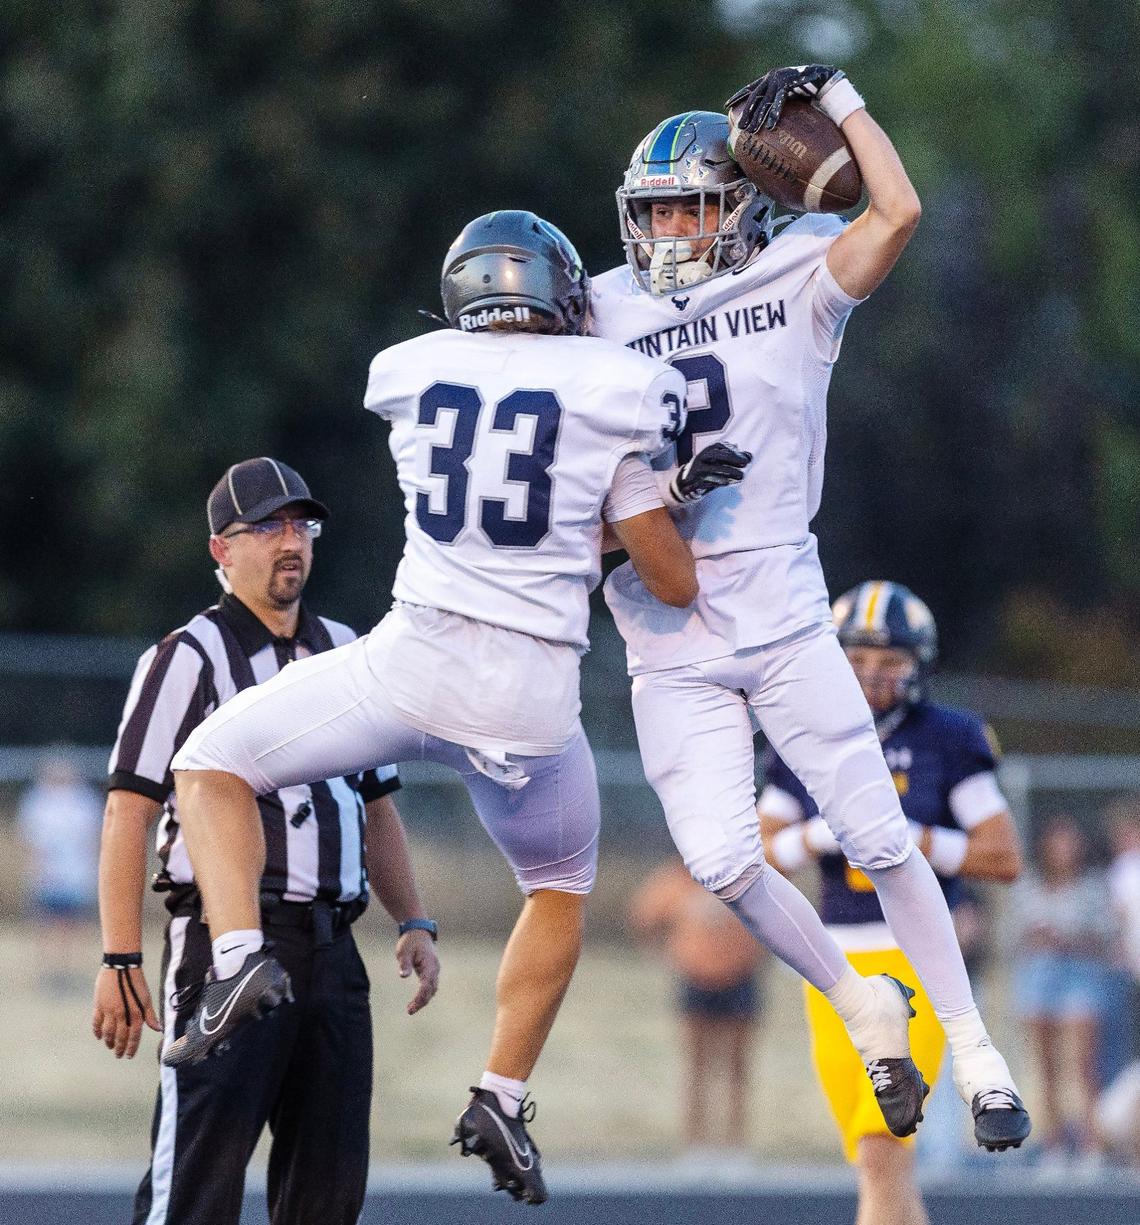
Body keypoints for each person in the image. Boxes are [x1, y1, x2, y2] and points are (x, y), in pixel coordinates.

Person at [161, 211, 717, 1206]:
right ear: (559, 295)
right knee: (557, 884)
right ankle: (500, 1092)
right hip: (530, 699)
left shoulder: (406, 368)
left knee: (208, 762)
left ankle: (237, 957)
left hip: (411, 662)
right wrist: (668, 497)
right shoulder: (618, 385)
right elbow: (667, 578)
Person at [590, 66, 1030, 1150]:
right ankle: (862, 997)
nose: (673, 230)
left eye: (692, 205)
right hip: (663, 626)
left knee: (882, 836)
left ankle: (976, 1050)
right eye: (654, 212)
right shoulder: (597, 302)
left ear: (741, 207)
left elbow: (901, 209)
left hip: (782, 603)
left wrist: (838, 98)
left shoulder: (794, 272)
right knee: (723, 863)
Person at [92, 457, 440, 1225]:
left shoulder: (349, 649)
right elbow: (129, 810)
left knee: (328, 1193)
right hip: (228, 947)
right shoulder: (189, 655)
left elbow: (375, 803)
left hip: (332, 950)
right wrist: (119, 955)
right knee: (196, 1188)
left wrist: (413, 917)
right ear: (222, 548)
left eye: (302, 525)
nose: (292, 543)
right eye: (269, 527)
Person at [759, 582, 1022, 1225]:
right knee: (875, 1157)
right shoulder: (807, 732)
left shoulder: (946, 737)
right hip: (833, 965)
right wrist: (821, 833)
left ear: (917, 664)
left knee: (883, 1144)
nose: (873, 675)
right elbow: (756, 850)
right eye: (858, 660)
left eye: (889, 662)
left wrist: (916, 841)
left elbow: (1003, 855)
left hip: (919, 956)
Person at [630, 857, 766, 1156]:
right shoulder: (676, 881)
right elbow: (644, 920)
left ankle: (735, 1145)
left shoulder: (742, 877)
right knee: (696, 1068)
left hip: (739, 979)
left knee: (737, 1068)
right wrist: (668, 954)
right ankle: (696, 1144)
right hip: (696, 981)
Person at [1010, 814, 1116, 1169]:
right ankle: (1053, 1144)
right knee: (1046, 1068)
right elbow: (1013, 933)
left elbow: (1106, 934)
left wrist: (1068, 938)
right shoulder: (1029, 885)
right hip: (1039, 976)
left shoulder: (1092, 886)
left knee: (1084, 1065)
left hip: (1079, 974)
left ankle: (1090, 1144)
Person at [17, 750, 103, 991]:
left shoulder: (85, 800)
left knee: (74, 925)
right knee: (47, 923)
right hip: (48, 874)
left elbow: (93, 838)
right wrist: (39, 868)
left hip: (77, 873)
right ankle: (50, 971)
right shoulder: (38, 800)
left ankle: (71, 970)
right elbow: (31, 840)